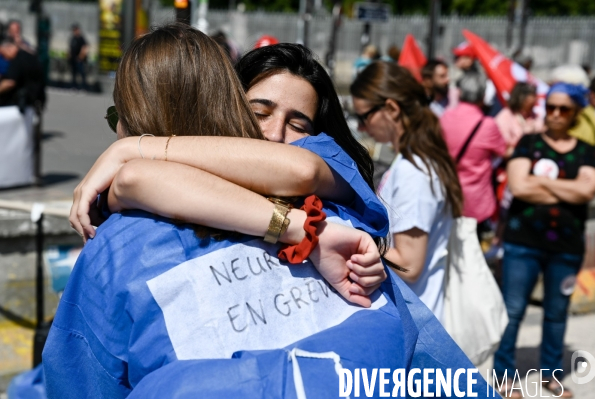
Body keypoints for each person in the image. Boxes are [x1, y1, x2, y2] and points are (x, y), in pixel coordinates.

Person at [44, 25, 395, 398]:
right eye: (259, 112)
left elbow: (80, 378)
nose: (275, 136)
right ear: (231, 106)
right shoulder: (313, 214)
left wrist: (130, 149)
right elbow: (138, 180)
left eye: (298, 126)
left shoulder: (317, 190)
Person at [494, 82, 595, 398]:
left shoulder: (588, 151)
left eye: (563, 108)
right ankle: (505, 376)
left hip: (565, 247)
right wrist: (567, 188)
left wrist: (538, 182)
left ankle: (551, 375)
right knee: (512, 312)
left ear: (575, 113)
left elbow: (587, 191)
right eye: (549, 107)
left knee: (556, 315)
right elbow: (519, 187)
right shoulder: (528, 143)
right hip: (522, 241)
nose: (554, 114)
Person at [350, 61, 463, 323]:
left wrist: (351, 236)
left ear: (391, 108)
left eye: (364, 117)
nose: (363, 128)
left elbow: (409, 265)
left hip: (417, 321)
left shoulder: (413, 172)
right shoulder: (417, 161)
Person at [441, 72, 507, 241]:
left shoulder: (445, 117)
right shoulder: (487, 124)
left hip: (446, 192)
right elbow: (503, 150)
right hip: (475, 199)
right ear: (483, 96)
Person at [495, 82, 545, 155]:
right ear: (522, 97)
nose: (536, 99)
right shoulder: (506, 115)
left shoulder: (536, 117)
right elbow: (501, 147)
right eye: (533, 95)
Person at [0, 37, 44, 109]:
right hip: (34, 103)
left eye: (3, 53)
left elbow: (10, 82)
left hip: (19, 106)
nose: (4, 58)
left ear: (8, 48)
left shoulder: (17, 59)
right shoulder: (32, 57)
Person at [68, 23, 88, 90]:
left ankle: (83, 87)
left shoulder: (81, 38)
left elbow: (84, 48)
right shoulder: (73, 38)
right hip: (73, 59)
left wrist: (80, 57)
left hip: (79, 59)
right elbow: (70, 48)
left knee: (81, 73)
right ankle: (74, 86)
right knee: (74, 73)